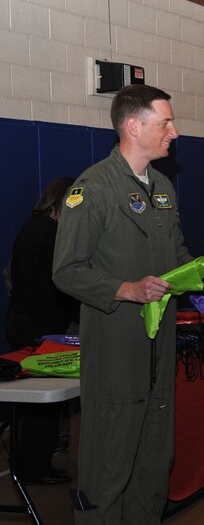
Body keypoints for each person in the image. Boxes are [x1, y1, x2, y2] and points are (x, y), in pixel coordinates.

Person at [53, 84, 192, 524]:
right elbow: (67, 270)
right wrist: (127, 289)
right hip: (116, 350)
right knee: (109, 465)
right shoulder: (92, 189)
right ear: (134, 126)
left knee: (153, 462)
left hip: (159, 349)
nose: (174, 131)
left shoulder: (164, 187)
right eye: (165, 122)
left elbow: (177, 255)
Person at [5, 176, 78, 485]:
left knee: (39, 406)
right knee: (42, 406)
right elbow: (60, 286)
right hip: (38, 326)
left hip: (26, 321)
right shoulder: (49, 233)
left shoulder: (33, 228)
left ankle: (32, 465)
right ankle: (34, 469)